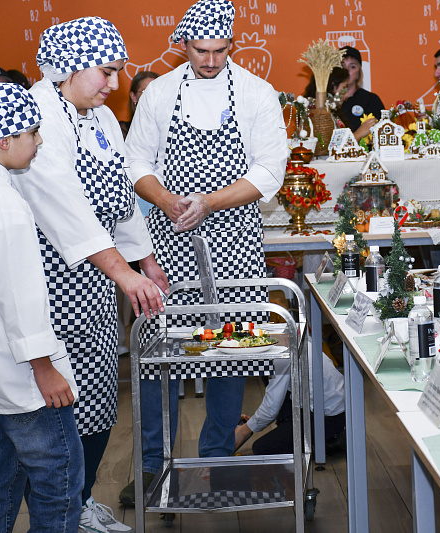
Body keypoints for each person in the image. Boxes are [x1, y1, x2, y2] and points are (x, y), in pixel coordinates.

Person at [122, 0, 288, 507]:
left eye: (220, 50)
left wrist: (210, 202)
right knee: (160, 353)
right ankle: (151, 465)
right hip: (169, 241)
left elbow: (269, 170)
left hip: (235, 239)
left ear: (232, 45)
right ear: (183, 45)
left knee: (228, 351)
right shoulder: (160, 94)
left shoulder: (256, 94)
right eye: (201, 51)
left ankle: (218, 458)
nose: (211, 60)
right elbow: (136, 162)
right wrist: (167, 200)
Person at [12, 16, 169, 533]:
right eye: (106, 71)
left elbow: (121, 200)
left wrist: (145, 261)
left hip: (98, 282)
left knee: (98, 402)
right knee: (55, 410)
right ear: (69, 67)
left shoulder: (99, 117)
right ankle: (60, 512)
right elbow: (65, 211)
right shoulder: (37, 115)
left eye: (118, 71)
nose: (115, 83)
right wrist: (125, 274)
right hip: (52, 283)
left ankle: (78, 503)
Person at [0, 83, 83, 533]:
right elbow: (17, 296)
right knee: (58, 481)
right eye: (32, 132)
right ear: (4, 140)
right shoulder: (2, 202)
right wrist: (44, 367)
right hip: (22, 374)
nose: (39, 140)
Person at [235, 353, 345, 456]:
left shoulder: (281, 358)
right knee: (268, 373)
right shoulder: (290, 343)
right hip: (321, 405)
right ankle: (289, 429)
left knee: (262, 448)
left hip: (327, 417)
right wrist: (254, 422)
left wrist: (243, 431)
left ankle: (331, 441)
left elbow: (271, 408)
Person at [338, 46, 384, 140]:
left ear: (358, 73)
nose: (346, 70)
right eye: (342, 65)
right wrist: (359, 133)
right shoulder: (325, 102)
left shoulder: (371, 100)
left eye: (352, 67)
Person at [119, 70, 159, 138]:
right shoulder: (122, 131)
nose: (152, 96)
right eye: (145, 91)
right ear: (134, 97)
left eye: (156, 91)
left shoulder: (172, 129)